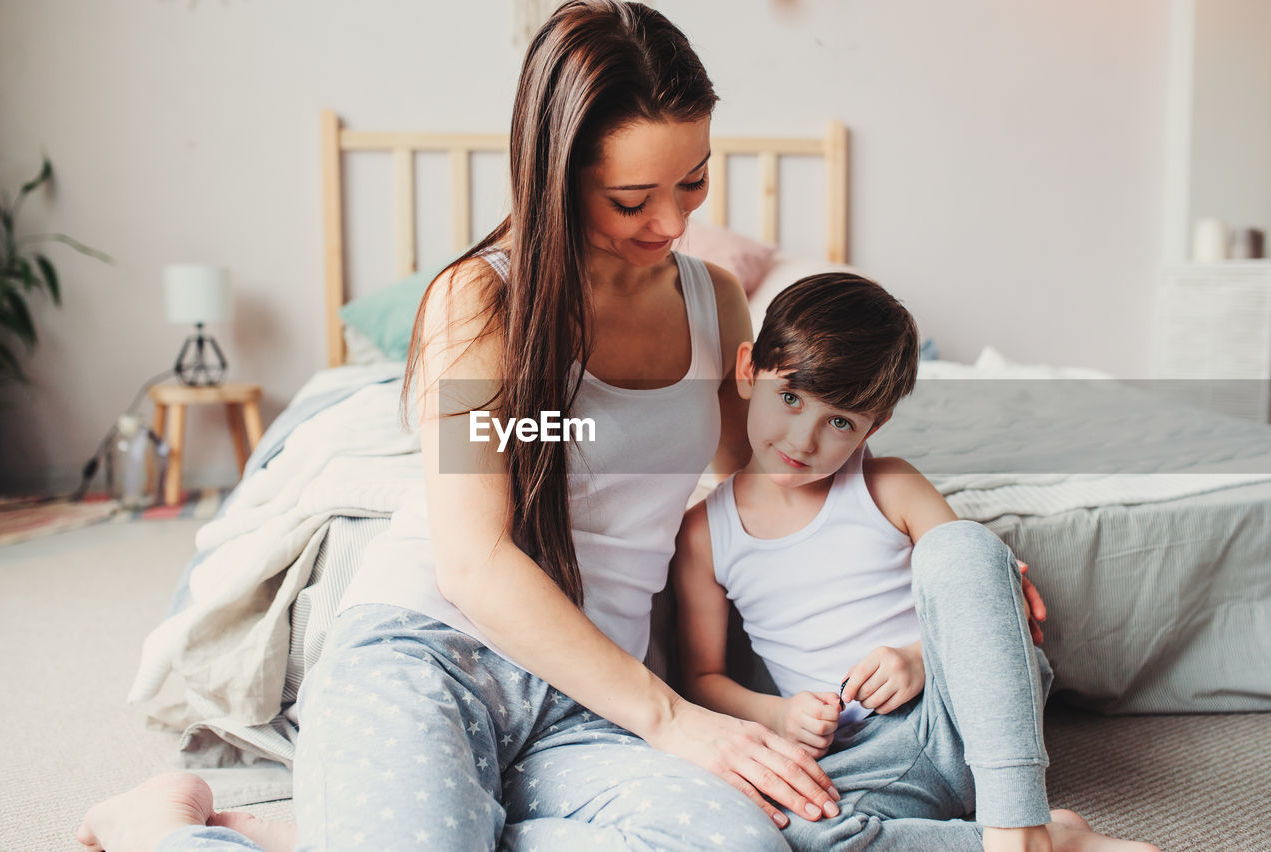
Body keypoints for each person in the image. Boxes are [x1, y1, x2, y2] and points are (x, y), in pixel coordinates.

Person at [77, 3, 842, 850]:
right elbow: (473, 561)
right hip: (432, 657)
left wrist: (930, 536)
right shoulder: (479, 303)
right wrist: (671, 719)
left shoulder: (716, 301)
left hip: (590, 699)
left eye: (693, 181)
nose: (671, 224)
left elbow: (769, 478)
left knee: (742, 844)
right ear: (557, 176)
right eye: (632, 199)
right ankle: (158, 829)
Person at [671, 273, 1162, 852]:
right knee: (785, 832)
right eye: (790, 398)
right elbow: (701, 680)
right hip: (859, 760)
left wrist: (919, 659)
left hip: (961, 717)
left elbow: (978, 593)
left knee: (969, 546)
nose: (802, 441)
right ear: (749, 370)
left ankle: (1017, 825)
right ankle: (1048, 841)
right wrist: (778, 716)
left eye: (839, 423)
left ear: (872, 427)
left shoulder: (890, 485)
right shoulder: (704, 533)